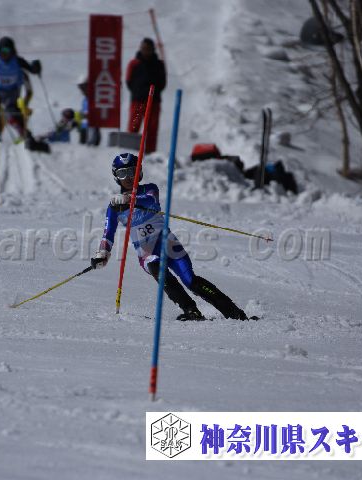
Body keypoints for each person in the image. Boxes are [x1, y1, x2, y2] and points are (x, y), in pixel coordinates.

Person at [91, 153, 255, 321]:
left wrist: (129, 199)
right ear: (116, 177)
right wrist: (102, 254)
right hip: (146, 252)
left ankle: (235, 313)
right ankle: (191, 310)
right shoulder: (114, 208)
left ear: (139, 172)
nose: (128, 177)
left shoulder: (150, 189)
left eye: (132, 171)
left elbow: (149, 200)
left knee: (191, 281)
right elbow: (107, 235)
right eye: (122, 173)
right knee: (156, 267)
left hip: (169, 244)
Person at [126, 38, 166, 154]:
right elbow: (129, 81)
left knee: (152, 128)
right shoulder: (134, 64)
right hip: (138, 101)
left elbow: (162, 83)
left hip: (154, 102)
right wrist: (139, 91)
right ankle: (130, 152)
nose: (146, 51)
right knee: (134, 126)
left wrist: (153, 93)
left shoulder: (159, 64)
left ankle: (150, 152)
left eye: (148, 49)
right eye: (144, 48)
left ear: (152, 50)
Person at [76, 74, 100, 146]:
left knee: (90, 148)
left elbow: (97, 113)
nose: (81, 90)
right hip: (84, 129)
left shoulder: (94, 99)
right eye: (80, 88)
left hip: (92, 129)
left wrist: (86, 115)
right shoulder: (85, 99)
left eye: (83, 87)